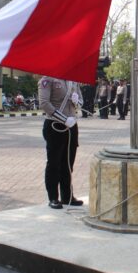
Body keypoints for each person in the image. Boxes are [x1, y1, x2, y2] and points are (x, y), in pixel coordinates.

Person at [38, 76, 83, 209]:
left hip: (71, 125)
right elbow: (44, 103)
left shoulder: (73, 80)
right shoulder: (47, 80)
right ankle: (53, 197)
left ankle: (67, 196)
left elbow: (81, 101)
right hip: (55, 124)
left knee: (68, 162)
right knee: (54, 163)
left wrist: (77, 101)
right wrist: (63, 119)